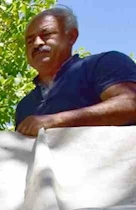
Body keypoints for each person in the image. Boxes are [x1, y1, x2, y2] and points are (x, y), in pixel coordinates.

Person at [15, 6, 136, 136]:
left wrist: (55, 121)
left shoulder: (103, 63)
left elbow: (131, 104)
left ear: (71, 36)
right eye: (30, 40)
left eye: (46, 34)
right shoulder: (24, 106)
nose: (37, 43)